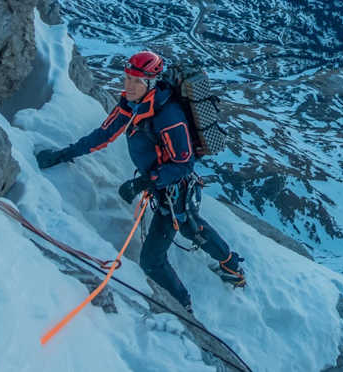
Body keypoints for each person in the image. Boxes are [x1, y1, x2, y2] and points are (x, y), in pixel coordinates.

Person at [35, 50, 246, 313]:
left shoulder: (168, 117)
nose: (128, 85)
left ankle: (183, 307)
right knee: (191, 228)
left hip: (174, 191)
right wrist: (63, 154)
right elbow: (104, 134)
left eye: (136, 81)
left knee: (156, 256)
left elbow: (184, 164)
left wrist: (143, 183)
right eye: (127, 78)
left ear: (151, 83)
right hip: (160, 188)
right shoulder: (132, 104)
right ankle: (230, 266)